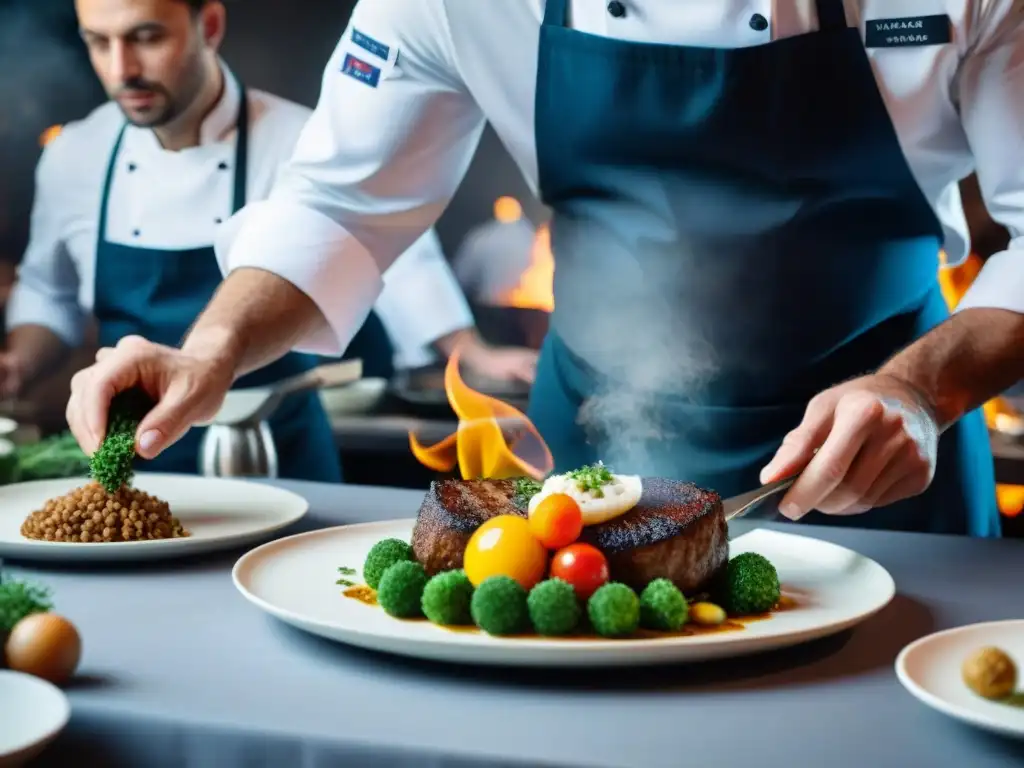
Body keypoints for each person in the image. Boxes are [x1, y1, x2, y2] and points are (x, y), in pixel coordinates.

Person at [64, 0, 1024, 537]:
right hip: (584, 476)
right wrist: (215, 349)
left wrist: (916, 391)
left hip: (888, 463)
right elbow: (337, 203)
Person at [1, 0, 535, 483]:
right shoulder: (74, 154)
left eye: (146, 38)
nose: (122, 70)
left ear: (208, 25)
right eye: (99, 42)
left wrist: (471, 352)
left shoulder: (297, 138)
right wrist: (19, 363)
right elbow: (50, 291)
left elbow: (390, 249)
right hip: (136, 462)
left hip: (278, 454)